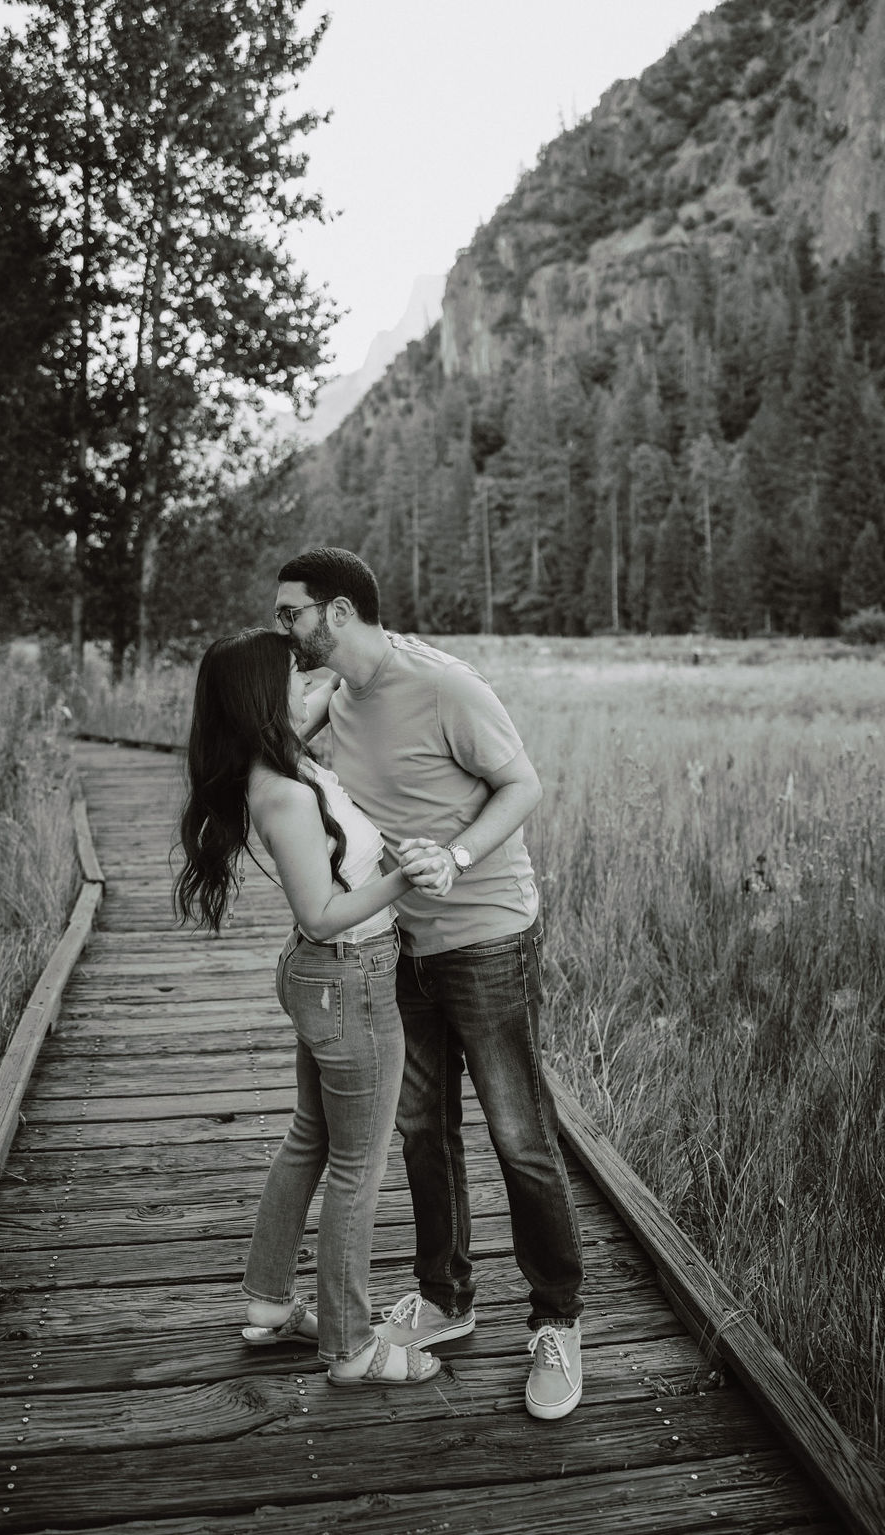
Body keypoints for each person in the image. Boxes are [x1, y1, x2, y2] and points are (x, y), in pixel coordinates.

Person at [275, 548, 586, 1420]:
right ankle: (448, 1297)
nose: (284, 628)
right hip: (398, 943)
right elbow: (272, 749)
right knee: (420, 1126)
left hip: (487, 934)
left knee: (520, 1132)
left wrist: (453, 855)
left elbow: (523, 784)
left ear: (336, 612)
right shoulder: (336, 695)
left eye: (291, 612)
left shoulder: (446, 686)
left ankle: (558, 1319)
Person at [173, 628, 446, 1388]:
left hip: (330, 978)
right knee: (358, 1169)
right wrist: (407, 875)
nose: (311, 682)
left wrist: (379, 646)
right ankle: (353, 1348)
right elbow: (323, 912)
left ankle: (267, 1305)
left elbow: (333, 683)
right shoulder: (284, 792)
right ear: (266, 700)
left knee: (310, 1140)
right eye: (294, 677)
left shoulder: (285, 754)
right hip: (345, 972)